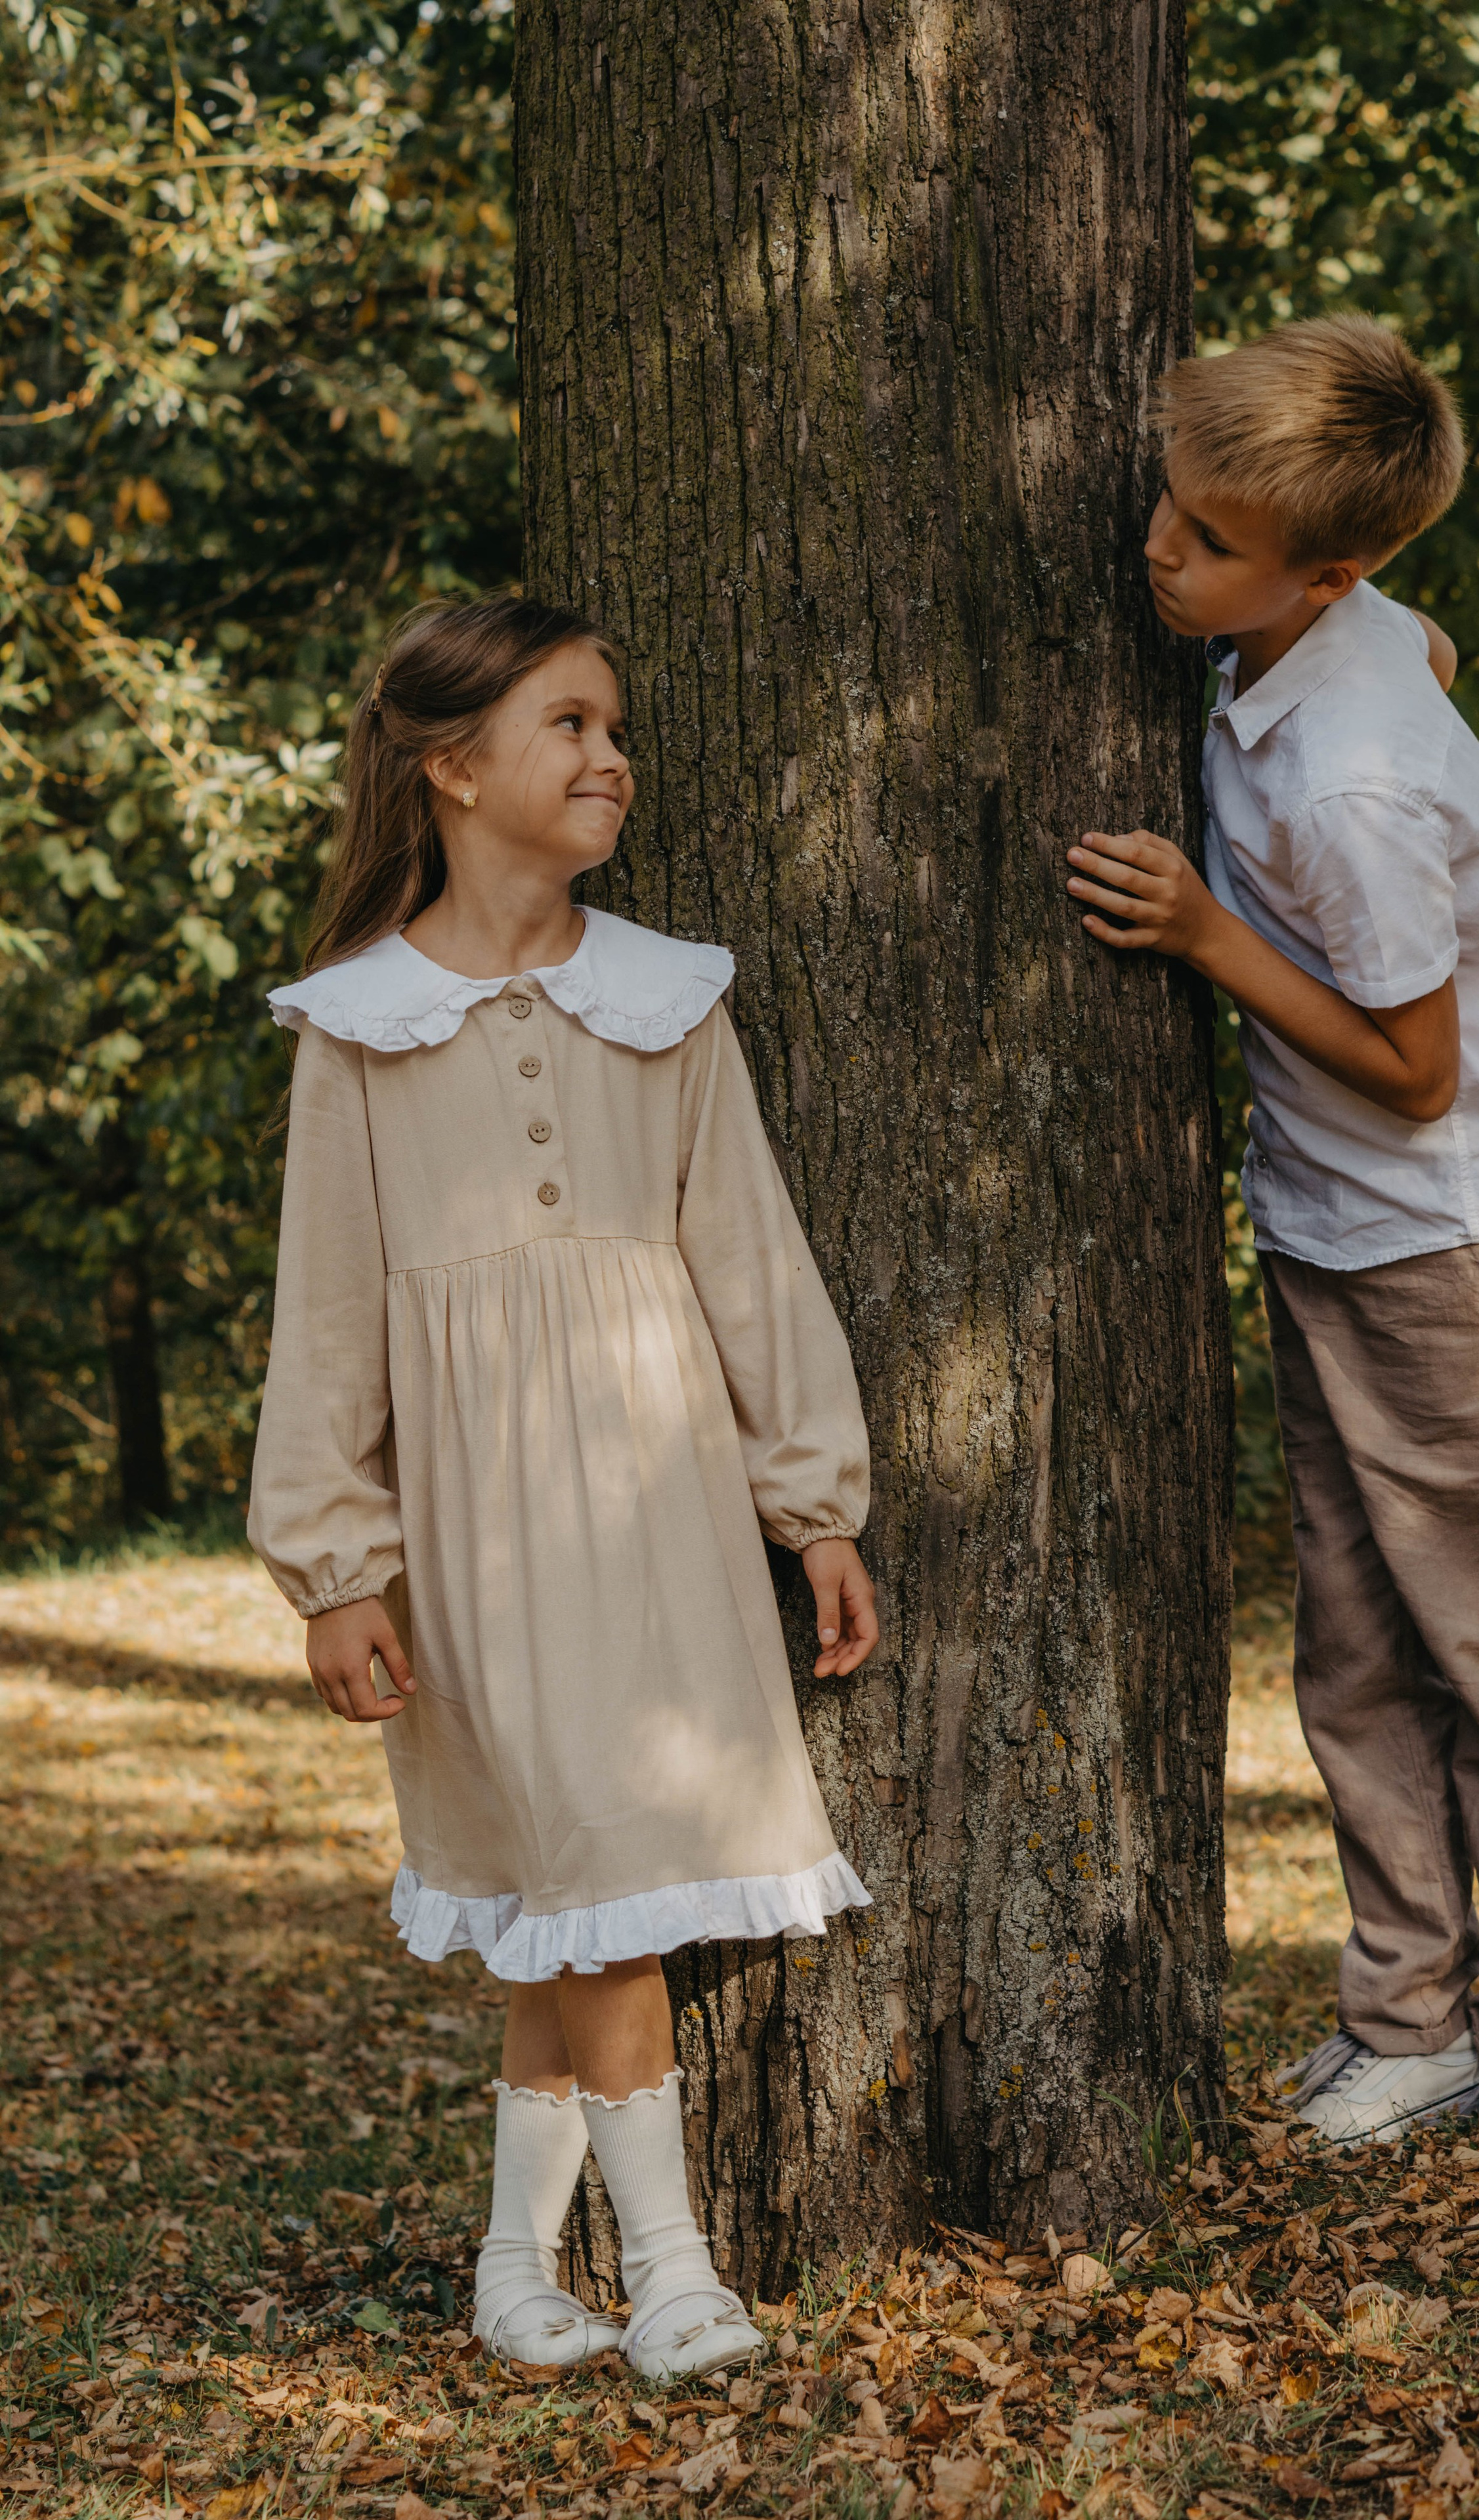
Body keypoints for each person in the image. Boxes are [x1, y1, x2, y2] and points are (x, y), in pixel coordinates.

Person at [247, 593, 879, 2373]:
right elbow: (330, 1313)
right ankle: (672, 2267)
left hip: (659, 1514)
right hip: (472, 1540)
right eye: (568, 727)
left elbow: (752, 1258)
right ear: (450, 767)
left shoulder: (666, 999)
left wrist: (814, 1503)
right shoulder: (358, 1031)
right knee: (577, 1873)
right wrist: (337, 1564)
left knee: (571, 1884)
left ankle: (520, 2276)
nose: (611, 757)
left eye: (615, 726)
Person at [1067, 316, 1479, 2143]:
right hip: (1337, 1229)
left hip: (1456, 1240)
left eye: (1210, 541)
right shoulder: (1339, 632)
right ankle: (1404, 2014)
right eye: (1173, 503)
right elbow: (1430, 641)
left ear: (1325, 568)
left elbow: (1413, 1065)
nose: (1162, 546)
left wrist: (1209, 936)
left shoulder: (1357, 781)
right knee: (1357, 1638)